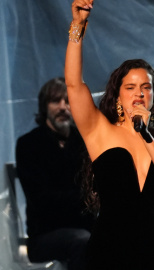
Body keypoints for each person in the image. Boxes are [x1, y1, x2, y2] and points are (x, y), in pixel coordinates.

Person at [65, 1, 154, 269]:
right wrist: (77, 27)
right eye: (131, 87)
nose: (139, 93)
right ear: (118, 97)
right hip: (110, 251)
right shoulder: (101, 131)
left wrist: (146, 135)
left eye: (146, 87)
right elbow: (74, 85)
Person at [16, 77, 95, 270]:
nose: (62, 107)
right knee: (83, 241)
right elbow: (41, 199)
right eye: (55, 101)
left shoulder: (84, 142)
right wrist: (84, 199)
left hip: (85, 228)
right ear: (45, 107)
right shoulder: (29, 144)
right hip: (45, 235)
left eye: (68, 101)